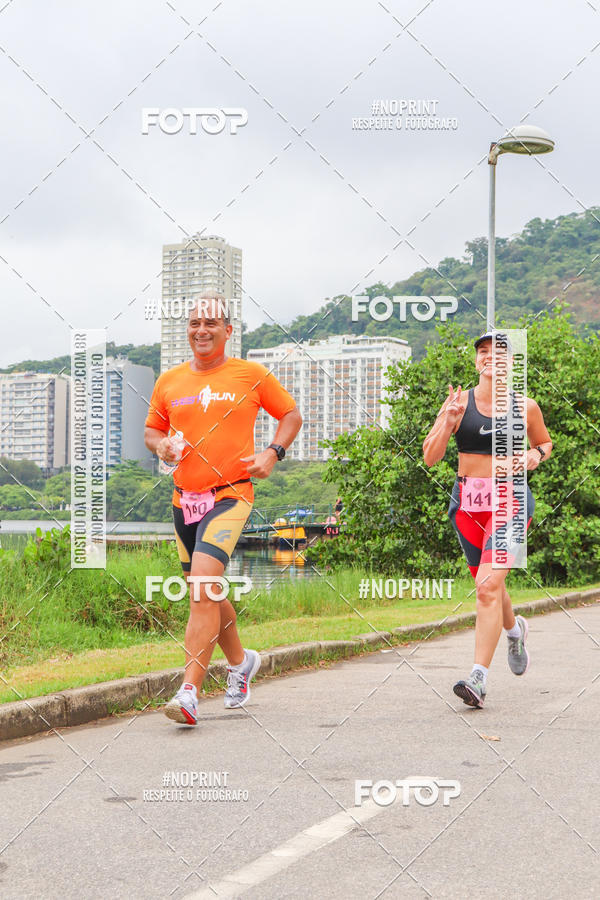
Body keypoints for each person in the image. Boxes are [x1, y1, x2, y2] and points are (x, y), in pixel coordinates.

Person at [144, 295, 302, 725]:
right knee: (207, 589)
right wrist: (162, 446)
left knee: (200, 588)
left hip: (231, 494)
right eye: (194, 322)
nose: (201, 330)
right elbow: (152, 428)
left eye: (211, 323)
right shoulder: (170, 381)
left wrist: (273, 452)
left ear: (228, 331)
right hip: (183, 501)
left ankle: (189, 692)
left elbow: (290, 414)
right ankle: (241, 662)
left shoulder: (250, 374)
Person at [422, 331, 552, 708]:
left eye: (499, 352)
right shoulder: (456, 403)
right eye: (483, 352)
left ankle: (478, 678)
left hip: (510, 500)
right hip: (467, 504)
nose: (490, 357)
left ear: (511, 362)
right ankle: (514, 630)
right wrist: (447, 423)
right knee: (488, 587)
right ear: (476, 360)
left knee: (486, 588)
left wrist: (535, 456)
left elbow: (544, 443)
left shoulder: (525, 407)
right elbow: (430, 457)